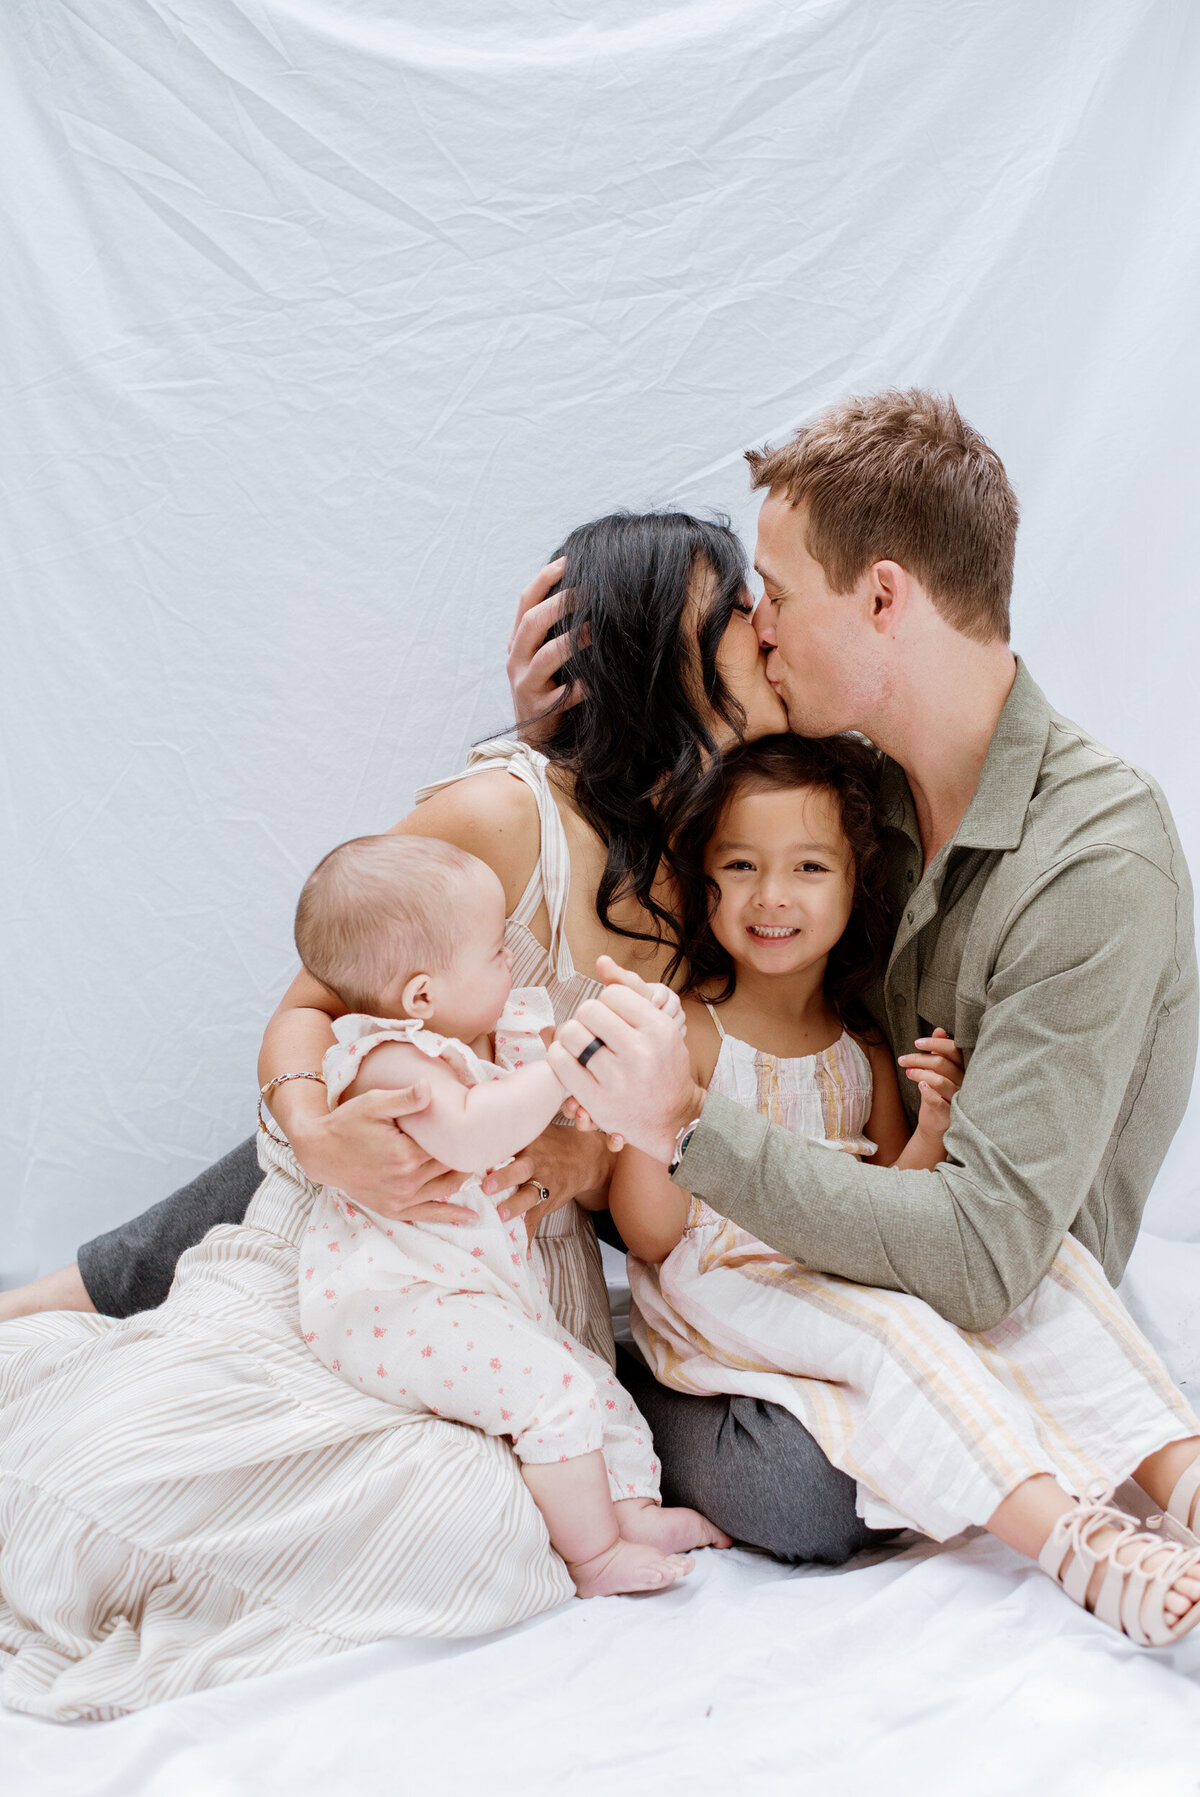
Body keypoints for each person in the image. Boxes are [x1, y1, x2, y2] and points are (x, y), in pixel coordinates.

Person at [2, 508, 882, 1565]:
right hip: (422, 1231)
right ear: (660, 653)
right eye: (735, 608)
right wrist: (316, 1129)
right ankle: (59, 1301)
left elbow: (660, 1106)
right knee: (395, 1112)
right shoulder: (501, 820)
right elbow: (316, 1004)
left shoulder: (736, 851)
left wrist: (589, 1154)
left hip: (566, 1252)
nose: (762, 625)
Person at [609, 732, 1200, 1647]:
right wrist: (653, 1116)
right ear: (707, 883)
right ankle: (1074, 1544)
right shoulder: (688, 1028)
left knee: (1052, 1274)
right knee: (901, 1332)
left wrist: (931, 1129)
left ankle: (1179, 1474)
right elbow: (651, 1236)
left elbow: (899, 1204)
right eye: (742, 865)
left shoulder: (862, 1048)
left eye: (809, 865)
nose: (773, 895)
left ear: (855, 883)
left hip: (841, 1261)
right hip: (729, 1278)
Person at [292, 832, 728, 1596]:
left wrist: (633, 1025)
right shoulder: (383, 1058)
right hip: (400, 1305)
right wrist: (567, 1066)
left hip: (485, 1291)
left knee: (597, 1386)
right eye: (496, 949)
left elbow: (571, 1078)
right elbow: (473, 1129)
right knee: (551, 1393)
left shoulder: (496, 1030)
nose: (511, 959)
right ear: (422, 995)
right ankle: (593, 1557)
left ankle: (632, 1509)